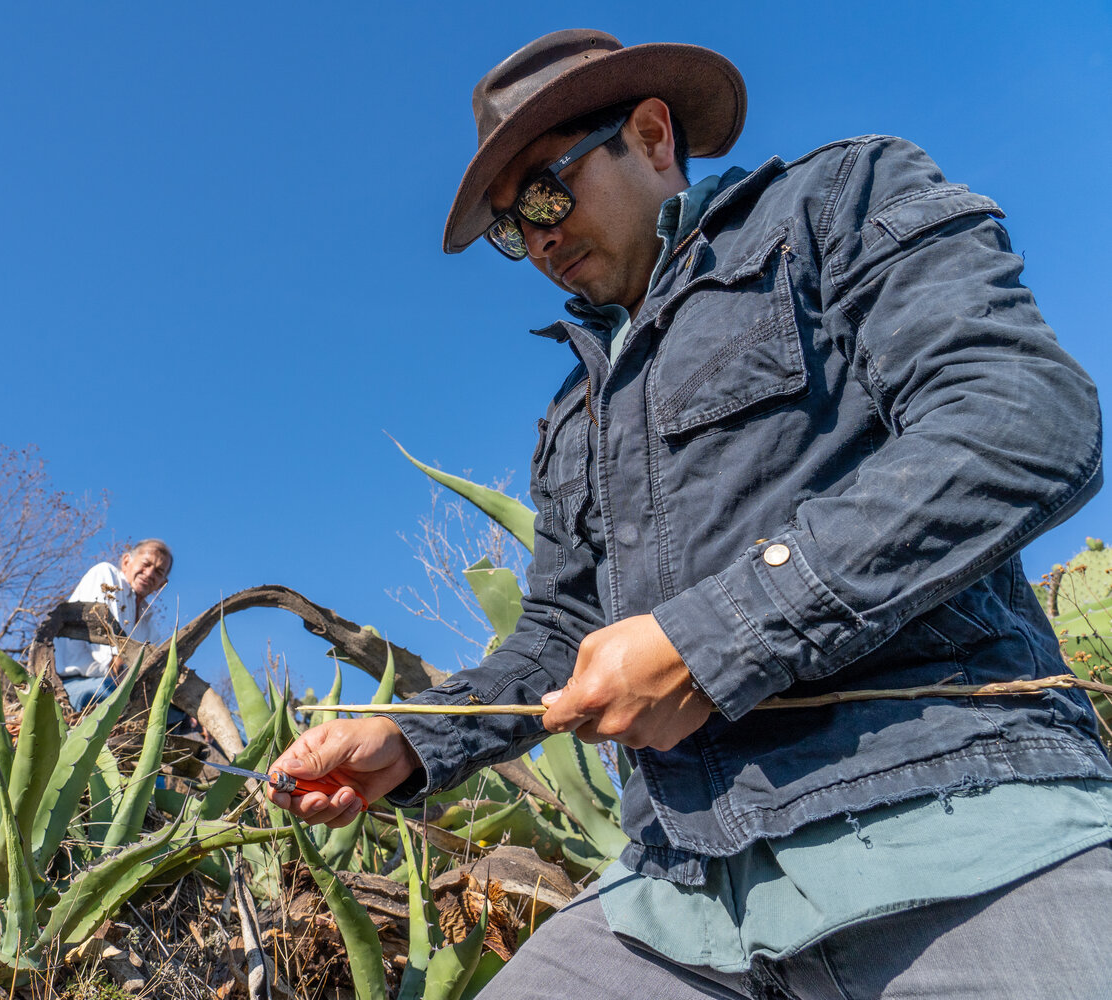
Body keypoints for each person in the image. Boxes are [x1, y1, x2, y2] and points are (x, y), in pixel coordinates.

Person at [269, 29, 1112, 997]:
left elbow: (1020, 420)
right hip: (673, 891)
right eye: (511, 228)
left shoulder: (839, 200)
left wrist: (717, 635)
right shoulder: (572, 412)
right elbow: (559, 634)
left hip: (953, 816)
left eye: (546, 191)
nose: (538, 237)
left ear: (653, 135)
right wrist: (417, 739)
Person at [54, 539, 173, 711]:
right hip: (71, 684)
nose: (149, 573)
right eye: (146, 564)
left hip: (120, 688)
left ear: (162, 584)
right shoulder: (105, 575)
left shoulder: (149, 623)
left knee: (179, 714)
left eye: (158, 571)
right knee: (119, 693)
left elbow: (156, 667)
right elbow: (111, 659)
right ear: (126, 562)